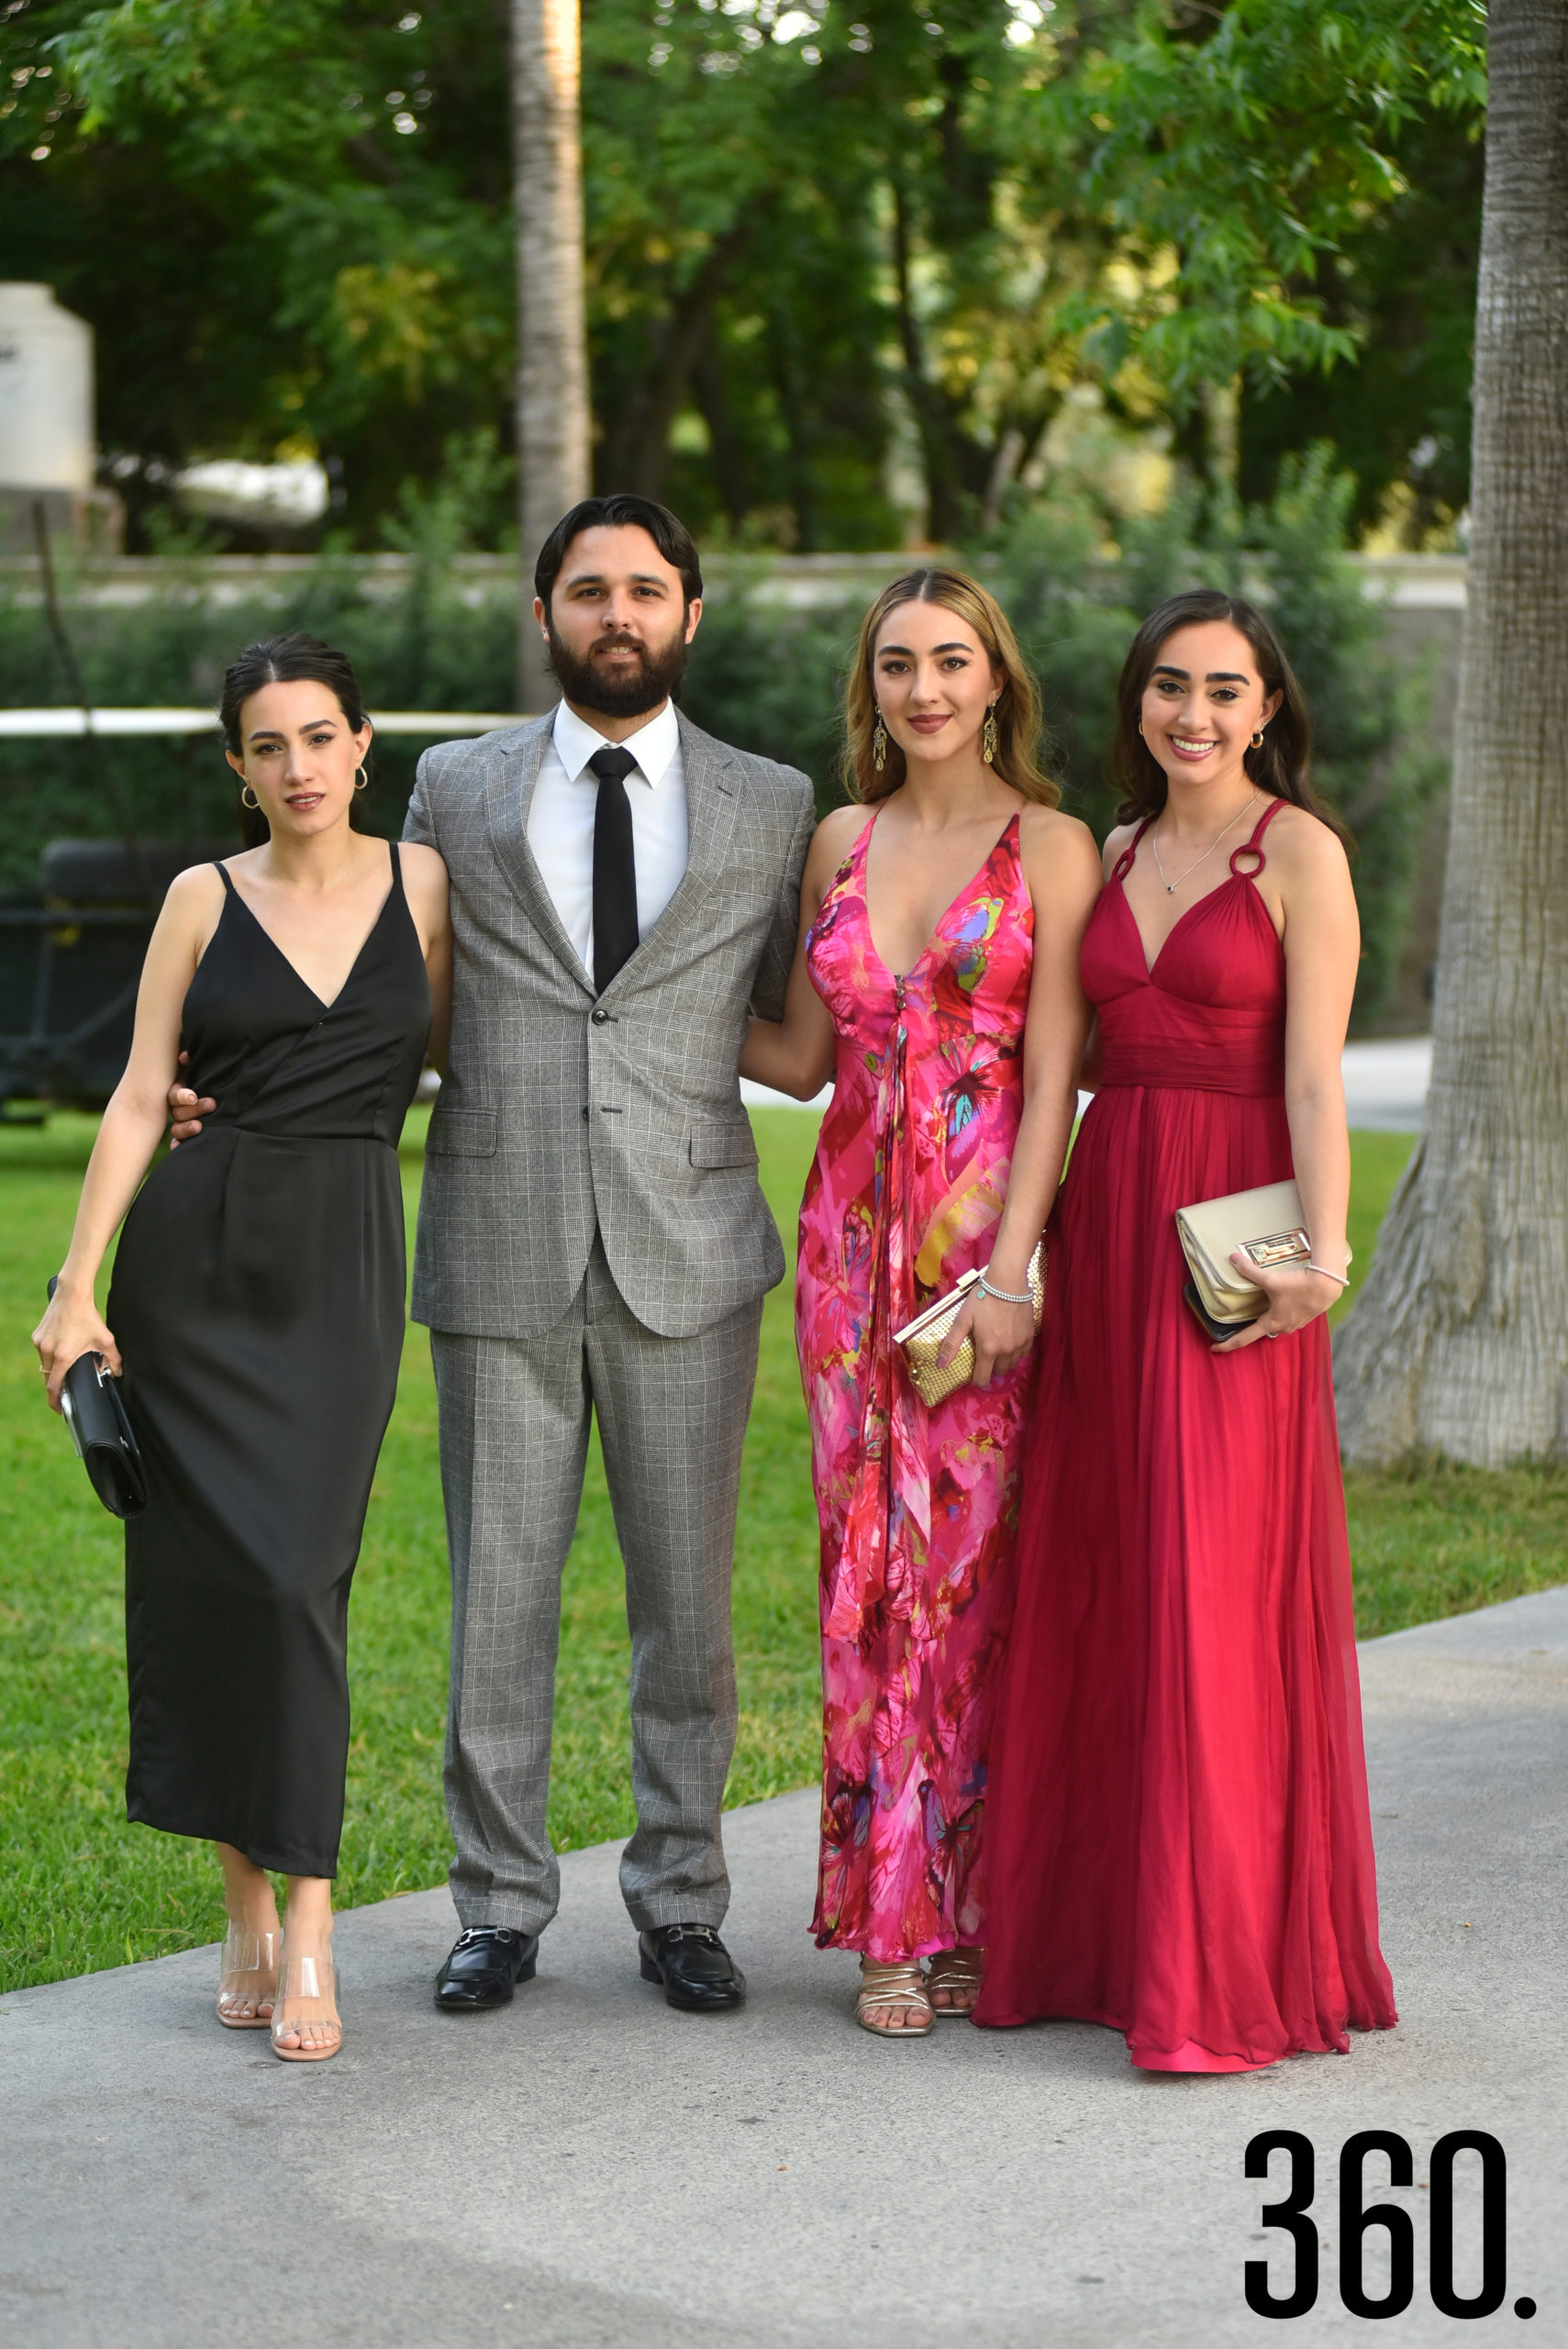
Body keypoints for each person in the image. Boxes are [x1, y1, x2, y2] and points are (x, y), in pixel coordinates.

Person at [173, 495, 817, 2015]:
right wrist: (229, 1086)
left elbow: (804, 1022)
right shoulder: (453, 790)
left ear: (688, 616)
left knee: (689, 1608)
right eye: (587, 589)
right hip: (497, 1229)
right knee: (497, 1598)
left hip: (688, 1246)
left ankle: (679, 1900)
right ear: (545, 615)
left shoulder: (771, 802)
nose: (616, 613)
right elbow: (375, 981)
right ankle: (500, 1905)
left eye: (645, 590)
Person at [974, 589, 1398, 2070]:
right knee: (1111, 1572)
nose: (1193, 714)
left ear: (1267, 708)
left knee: (1211, 1587)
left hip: (1232, 1244)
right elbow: (1051, 1072)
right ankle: (1100, 1942)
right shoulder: (1105, 851)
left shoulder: (1298, 855)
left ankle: (1215, 1966)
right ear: (1136, 704)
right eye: (1168, 687)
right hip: (1106, 1227)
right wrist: (1011, 1259)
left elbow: (1313, 1083)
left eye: (1223, 690)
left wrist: (1319, 1258)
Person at [33, 633, 451, 2063]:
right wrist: (77, 1285)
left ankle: (317, 1920)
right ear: (238, 768)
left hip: (339, 1263)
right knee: (217, 1585)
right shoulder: (199, 900)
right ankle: (252, 1914)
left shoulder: (424, 883)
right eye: (267, 746)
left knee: (297, 1583)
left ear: (361, 745)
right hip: (193, 1271)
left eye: (320, 737)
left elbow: (453, 1056)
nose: (298, 768)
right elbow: (146, 1095)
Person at [741, 569, 1100, 2036]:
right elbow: (799, 1055)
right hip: (845, 1254)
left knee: (970, 1584)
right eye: (896, 666)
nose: (924, 690)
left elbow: (1059, 1071)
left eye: (950, 662)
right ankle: (889, 1913)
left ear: (996, 678)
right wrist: (618, 1002)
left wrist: (1014, 1273)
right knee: (864, 1582)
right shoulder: (839, 835)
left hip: (976, 1257)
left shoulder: (1054, 845)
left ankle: (965, 1906)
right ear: (870, 687)